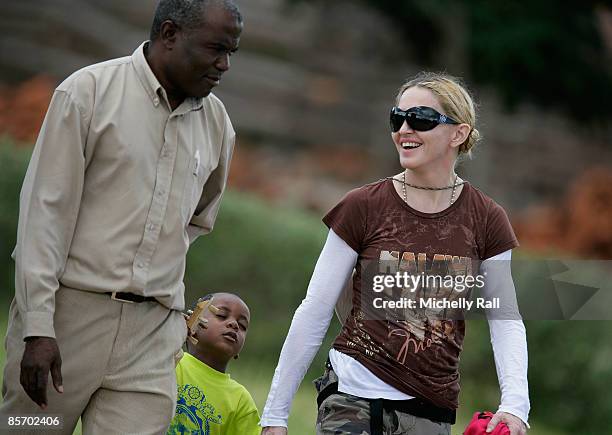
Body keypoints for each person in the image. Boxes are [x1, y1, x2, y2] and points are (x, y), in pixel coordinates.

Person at [0, 1, 243, 433]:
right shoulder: (87, 92)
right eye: (215, 49)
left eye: (232, 52)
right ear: (170, 34)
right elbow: (43, 217)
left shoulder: (218, 124)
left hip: (152, 334)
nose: (224, 65)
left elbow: (198, 218)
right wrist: (38, 326)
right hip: (67, 319)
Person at [260, 73, 530, 435]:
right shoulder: (363, 206)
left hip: (430, 409)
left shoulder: (486, 219)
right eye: (396, 118)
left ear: (458, 133)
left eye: (420, 119)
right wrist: (275, 416)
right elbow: (316, 307)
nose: (404, 129)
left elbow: (505, 319)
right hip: (351, 395)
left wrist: (515, 404)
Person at [168, 292, 260, 434]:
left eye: (242, 325)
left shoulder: (240, 399)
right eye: (222, 315)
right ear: (192, 323)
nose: (234, 324)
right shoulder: (170, 360)